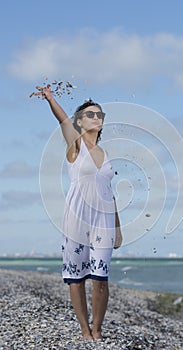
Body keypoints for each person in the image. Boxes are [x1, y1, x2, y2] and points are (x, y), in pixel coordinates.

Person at [34, 84, 123, 341]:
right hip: (77, 218)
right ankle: (85, 330)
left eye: (99, 114)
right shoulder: (75, 146)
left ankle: (98, 329)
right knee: (77, 277)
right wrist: (50, 98)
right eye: (90, 114)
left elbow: (110, 192)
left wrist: (118, 228)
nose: (96, 117)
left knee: (101, 278)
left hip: (104, 221)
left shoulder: (105, 155)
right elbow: (62, 119)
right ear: (80, 122)